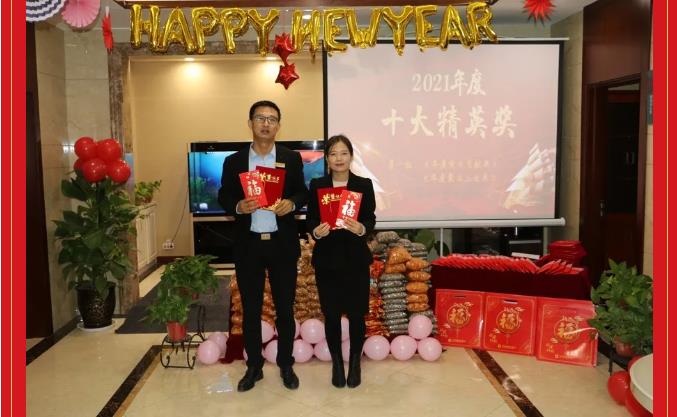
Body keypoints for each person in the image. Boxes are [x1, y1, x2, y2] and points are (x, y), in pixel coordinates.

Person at [218, 100, 308, 392]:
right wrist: (238, 206)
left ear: (278, 125)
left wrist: (291, 203)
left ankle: (286, 364)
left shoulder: (290, 158)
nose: (266, 123)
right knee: (251, 309)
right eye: (260, 118)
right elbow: (223, 195)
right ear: (250, 123)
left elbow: (302, 192)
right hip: (249, 246)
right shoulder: (234, 161)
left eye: (272, 119)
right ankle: (253, 366)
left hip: (282, 245)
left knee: (285, 309)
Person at [306, 134, 376, 388]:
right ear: (326, 158)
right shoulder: (318, 185)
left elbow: (370, 218)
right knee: (332, 315)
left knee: (357, 315)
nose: (339, 158)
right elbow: (311, 219)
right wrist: (316, 231)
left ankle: (355, 363)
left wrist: (361, 228)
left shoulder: (363, 185)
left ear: (351, 157)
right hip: (327, 260)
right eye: (333, 153)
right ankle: (336, 363)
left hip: (355, 259)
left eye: (343, 153)